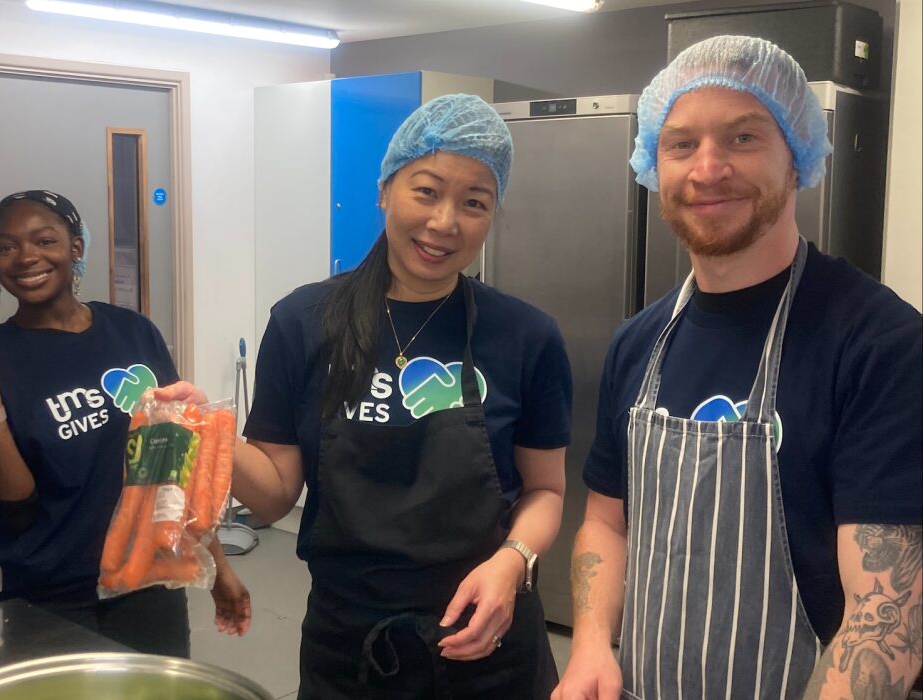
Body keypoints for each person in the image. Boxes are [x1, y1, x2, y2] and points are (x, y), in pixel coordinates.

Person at [158, 94, 571, 697]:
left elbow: (547, 489)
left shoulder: (526, 334)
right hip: (350, 647)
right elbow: (273, 498)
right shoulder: (305, 320)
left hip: (491, 644)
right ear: (384, 190)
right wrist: (207, 426)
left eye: (474, 203)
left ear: (492, 214)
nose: (444, 222)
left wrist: (513, 562)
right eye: (426, 191)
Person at [553, 35, 922, 700]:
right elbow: (607, 522)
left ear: (797, 156)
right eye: (681, 144)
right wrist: (587, 648)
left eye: (743, 138)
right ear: (651, 162)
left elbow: (885, 614)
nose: (708, 168)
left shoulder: (880, 345)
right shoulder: (638, 343)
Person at [0, 190, 251, 655]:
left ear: (75, 248)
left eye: (43, 240)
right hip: (46, 595)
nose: (25, 258)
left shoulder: (133, 332)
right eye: (6, 246)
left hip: (146, 580)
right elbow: (15, 509)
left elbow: (177, 467)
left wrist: (217, 565)